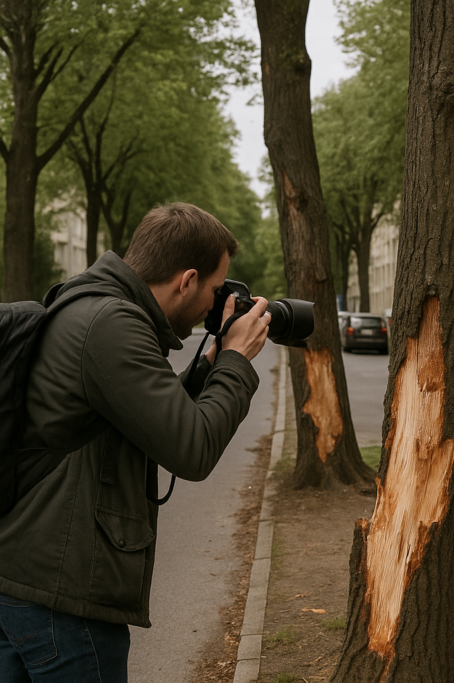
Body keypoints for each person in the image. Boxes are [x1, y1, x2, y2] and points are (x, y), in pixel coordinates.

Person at [0, 204, 269, 680]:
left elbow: (144, 415)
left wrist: (210, 364)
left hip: (28, 580)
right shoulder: (111, 323)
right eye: (214, 290)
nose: (214, 304)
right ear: (187, 280)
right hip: (64, 598)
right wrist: (237, 360)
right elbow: (192, 449)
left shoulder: (93, 306)